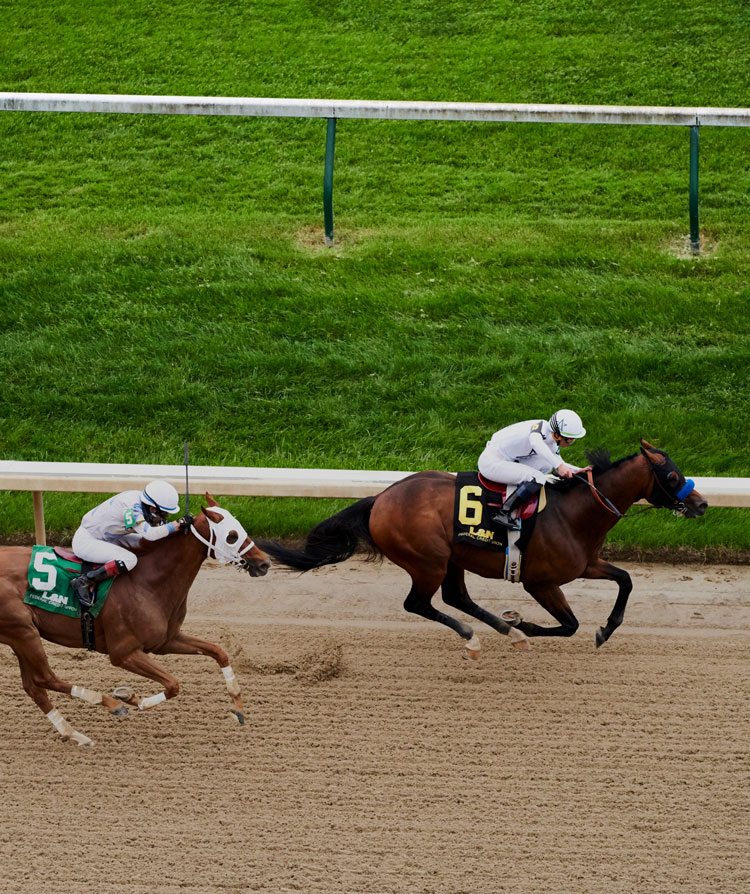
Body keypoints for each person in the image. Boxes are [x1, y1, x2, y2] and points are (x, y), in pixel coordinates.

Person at [69, 480, 191, 607]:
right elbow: (151, 534)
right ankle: (83, 582)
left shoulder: (142, 501)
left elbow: (151, 536)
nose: (164, 518)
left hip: (109, 536)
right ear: (152, 508)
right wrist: (177, 524)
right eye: (163, 514)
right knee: (129, 559)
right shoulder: (131, 508)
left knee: (144, 543)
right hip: (87, 541)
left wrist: (176, 527)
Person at [477, 409, 589, 530]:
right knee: (538, 477)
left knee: (547, 464)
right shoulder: (539, 429)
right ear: (557, 435)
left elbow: (559, 462)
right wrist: (559, 466)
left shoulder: (551, 439)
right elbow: (536, 443)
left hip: (508, 458)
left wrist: (582, 470)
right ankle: (504, 513)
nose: (570, 443)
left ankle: (527, 491)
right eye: (569, 440)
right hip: (492, 461)